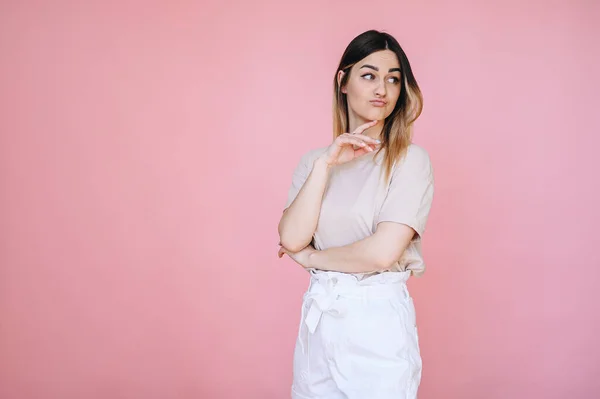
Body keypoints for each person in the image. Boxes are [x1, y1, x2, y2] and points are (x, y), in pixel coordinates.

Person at [277, 29, 435, 399]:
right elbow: (291, 237)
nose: (382, 89)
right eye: (369, 75)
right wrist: (326, 164)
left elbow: (382, 253)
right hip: (320, 322)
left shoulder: (411, 161)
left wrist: (312, 258)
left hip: (377, 323)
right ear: (343, 81)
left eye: (393, 79)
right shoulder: (315, 161)